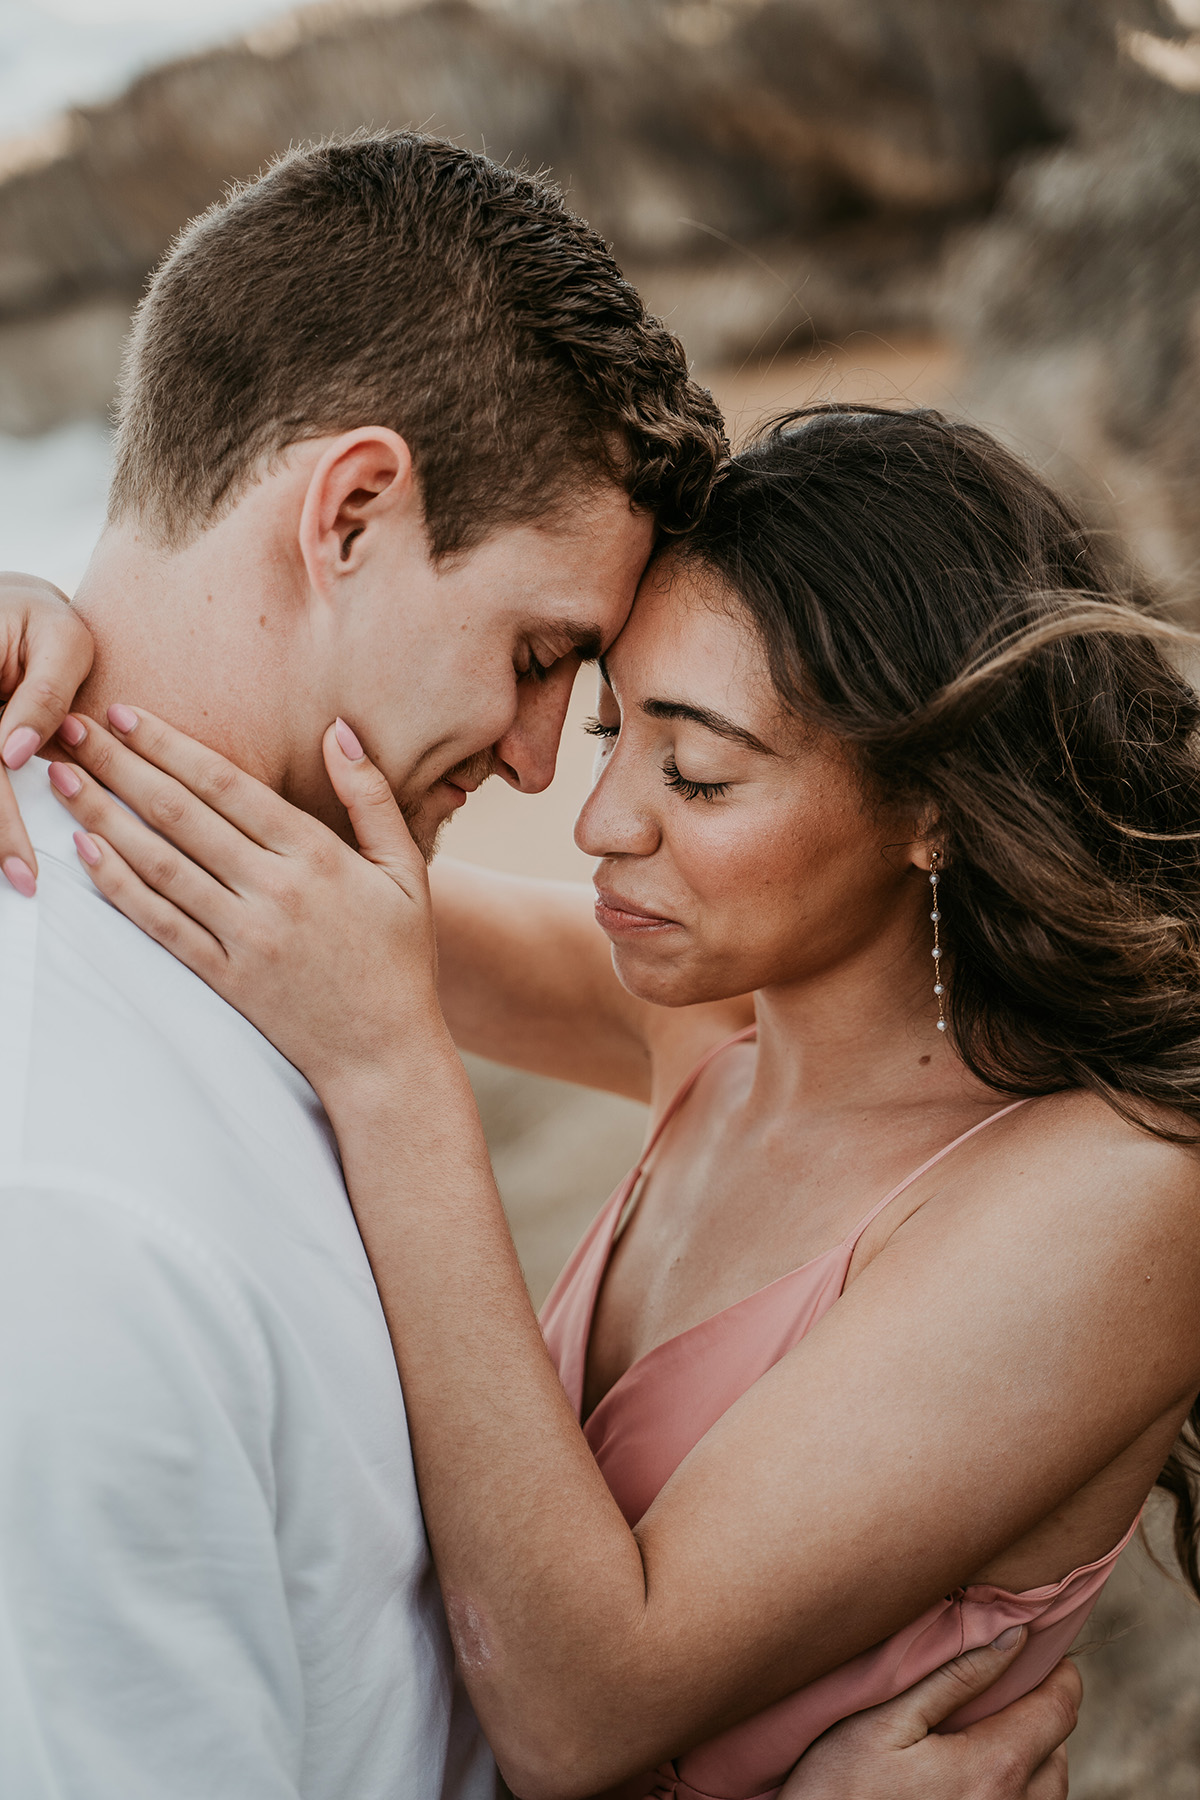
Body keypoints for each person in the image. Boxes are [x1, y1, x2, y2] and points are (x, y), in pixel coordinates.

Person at [0, 133, 1078, 1798]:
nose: (537, 780)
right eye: (540, 661)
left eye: (677, 758)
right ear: (351, 508)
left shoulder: (290, 943)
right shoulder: (83, 1228)